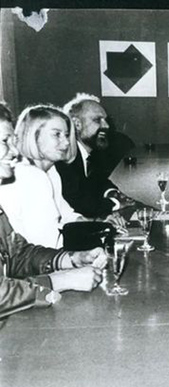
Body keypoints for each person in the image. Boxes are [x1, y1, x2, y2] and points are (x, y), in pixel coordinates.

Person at [0, 102, 105, 323]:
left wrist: (71, 259)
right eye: (4, 141)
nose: (14, 151)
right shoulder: (32, 176)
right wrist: (60, 280)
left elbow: (18, 254)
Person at [0, 104, 124, 249]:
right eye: (56, 134)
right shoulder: (30, 176)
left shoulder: (51, 171)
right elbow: (47, 243)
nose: (66, 142)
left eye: (66, 135)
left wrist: (99, 224)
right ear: (33, 136)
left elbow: (67, 215)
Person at [56, 93, 134, 218]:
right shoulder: (65, 158)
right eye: (97, 120)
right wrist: (116, 203)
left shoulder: (91, 153)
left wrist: (111, 192)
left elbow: (98, 181)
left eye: (106, 120)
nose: (106, 126)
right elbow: (78, 204)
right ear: (77, 124)